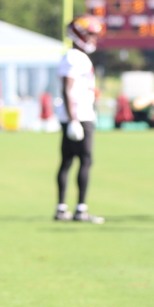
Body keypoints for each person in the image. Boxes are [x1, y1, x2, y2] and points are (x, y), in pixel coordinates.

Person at [54, 16, 104, 223]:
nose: (93, 39)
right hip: (78, 117)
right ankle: (79, 209)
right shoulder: (74, 57)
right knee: (82, 160)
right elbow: (67, 88)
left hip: (77, 115)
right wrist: (74, 120)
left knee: (69, 161)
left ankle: (63, 208)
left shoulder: (77, 57)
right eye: (91, 34)